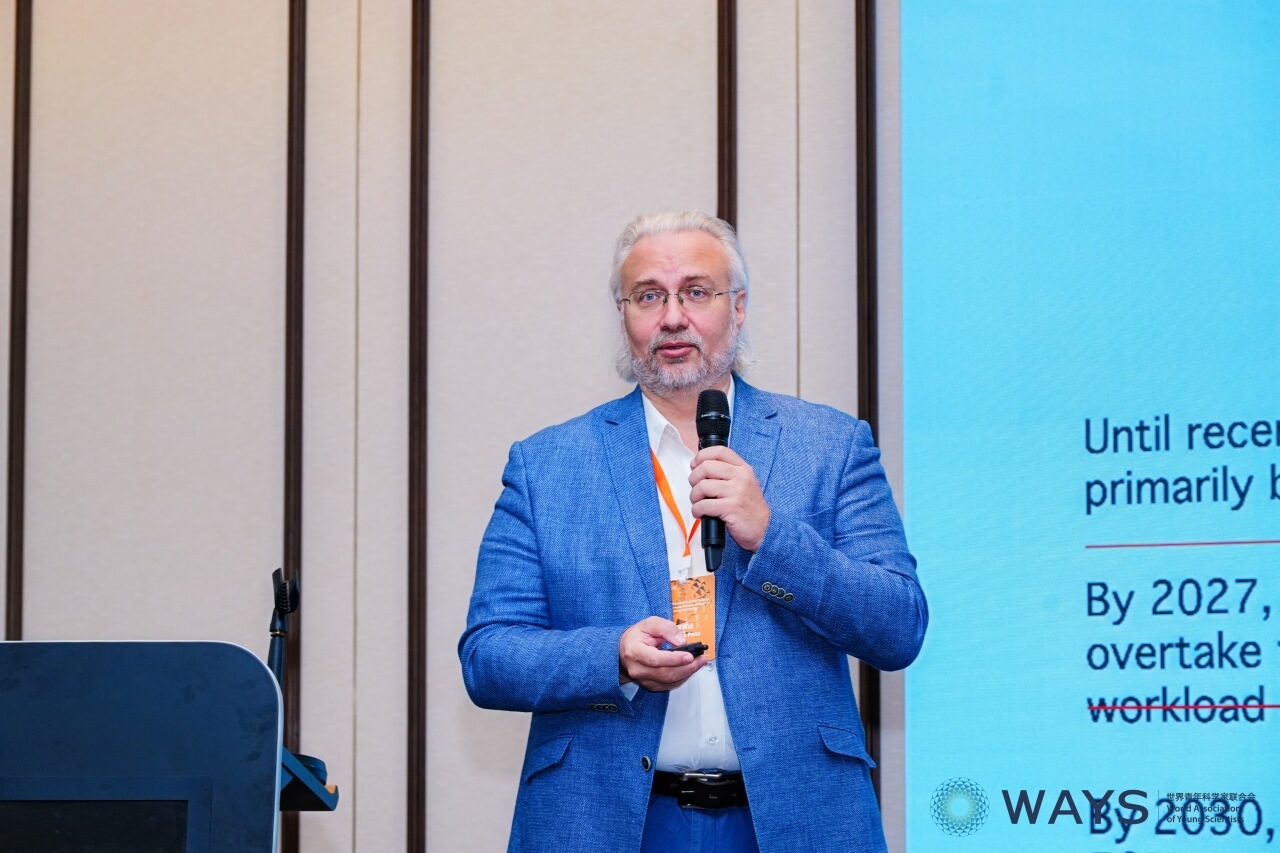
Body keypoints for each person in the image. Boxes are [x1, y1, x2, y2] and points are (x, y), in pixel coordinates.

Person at [459, 211, 927, 853]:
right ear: (623, 316)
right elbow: (488, 658)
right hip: (606, 821)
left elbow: (899, 627)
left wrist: (772, 537)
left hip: (792, 821)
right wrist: (614, 657)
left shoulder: (830, 445)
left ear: (738, 307)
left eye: (696, 292)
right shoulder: (548, 465)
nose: (673, 317)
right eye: (649, 296)